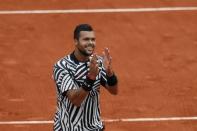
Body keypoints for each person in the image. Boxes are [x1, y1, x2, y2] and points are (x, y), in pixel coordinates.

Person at [53, 24, 118, 131]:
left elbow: (114, 90)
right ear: (76, 41)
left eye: (93, 39)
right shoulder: (62, 66)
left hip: (94, 128)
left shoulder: (98, 62)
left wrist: (110, 74)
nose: (90, 43)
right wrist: (91, 77)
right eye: (86, 39)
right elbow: (75, 100)